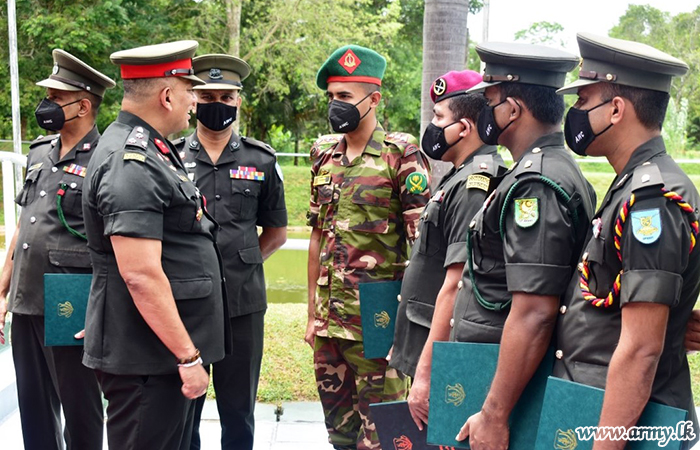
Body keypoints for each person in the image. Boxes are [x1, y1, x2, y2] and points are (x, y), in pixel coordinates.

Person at [427, 43, 598, 447]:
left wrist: (494, 414)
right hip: (490, 366)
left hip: (504, 382)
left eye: (489, 102)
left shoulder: (536, 184)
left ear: (514, 110)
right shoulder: (534, 170)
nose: (484, 112)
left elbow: (535, 311)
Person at [553, 32, 699, 449]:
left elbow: (641, 349)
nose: (575, 113)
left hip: (631, 424)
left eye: (583, 101)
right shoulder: (631, 185)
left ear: (616, 109)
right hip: (594, 401)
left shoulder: (652, 201)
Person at [81, 40, 229, 450]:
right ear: (166, 96)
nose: (193, 102)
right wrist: (188, 357)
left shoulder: (153, 148)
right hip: (148, 357)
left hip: (157, 351)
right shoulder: (133, 161)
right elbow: (140, 274)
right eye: (189, 92)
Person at [305, 44, 431, 450]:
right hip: (329, 323)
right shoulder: (323, 154)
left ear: (373, 100)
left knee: (385, 438)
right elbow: (317, 236)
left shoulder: (400, 154)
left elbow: (421, 248)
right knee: (340, 436)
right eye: (331, 96)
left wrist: (409, 330)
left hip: (378, 325)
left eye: (345, 96)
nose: (335, 105)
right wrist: (311, 315)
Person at [0, 49, 114, 450]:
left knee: (79, 407)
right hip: (27, 296)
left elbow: (116, 244)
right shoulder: (39, 152)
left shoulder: (106, 160)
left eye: (55, 97)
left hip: (71, 299)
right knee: (33, 406)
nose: (45, 105)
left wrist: (103, 308)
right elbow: (24, 225)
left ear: (83, 106)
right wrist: (2, 290)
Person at [176, 54, 287, 450]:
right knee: (183, 409)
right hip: (186, 302)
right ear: (193, 99)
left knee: (238, 410)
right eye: (207, 96)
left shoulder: (261, 159)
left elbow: (276, 232)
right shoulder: (170, 157)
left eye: (226, 96)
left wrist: (243, 262)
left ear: (238, 100)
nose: (217, 104)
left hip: (242, 303)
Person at [390, 69, 506, 387]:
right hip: (425, 337)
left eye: (439, 117)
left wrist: (427, 371)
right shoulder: (459, 176)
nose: (433, 126)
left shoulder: (474, 184)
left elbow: (456, 283)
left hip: (441, 354)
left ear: (464, 128)